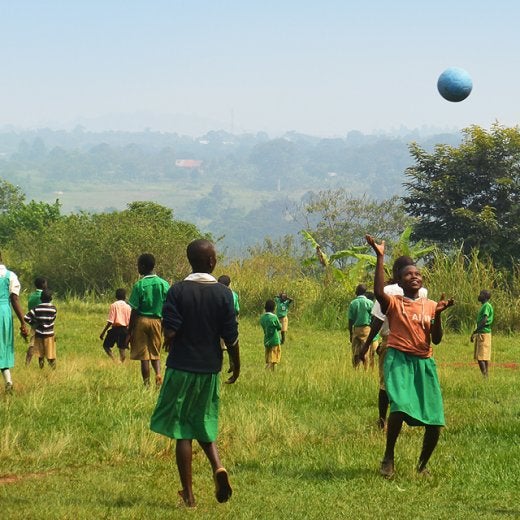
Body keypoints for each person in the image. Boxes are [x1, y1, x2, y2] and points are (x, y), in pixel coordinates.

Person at [150, 239, 240, 508]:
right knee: (203, 420)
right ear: (212, 262)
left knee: (182, 432)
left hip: (180, 367)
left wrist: (170, 335)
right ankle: (218, 466)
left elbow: (171, 329)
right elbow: (231, 337)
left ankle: (188, 496)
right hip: (209, 368)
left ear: (191, 261)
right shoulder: (224, 294)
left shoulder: (177, 290)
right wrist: (236, 365)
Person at [366, 235, 453, 478]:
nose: (415, 276)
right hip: (399, 359)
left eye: (418, 274)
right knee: (400, 407)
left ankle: (422, 465)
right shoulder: (394, 302)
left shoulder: (430, 304)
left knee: (435, 421)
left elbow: (435, 339)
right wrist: (380, 256)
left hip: (424, 362)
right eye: (408, 275)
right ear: (399, 282)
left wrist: (438, 315)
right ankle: (388, 458)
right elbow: (378, 290)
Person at [358, 257, 427, 430]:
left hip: (391, 342)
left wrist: (366, 346)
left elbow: (377, 321)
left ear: (396, 272)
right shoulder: (422, 291)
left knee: (386, 384)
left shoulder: (387, 290)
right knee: (407, 381)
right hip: (414, 343)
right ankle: (406, 418)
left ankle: (383, 420)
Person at [127, 254, 170, 387]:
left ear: (143, 267)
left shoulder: (140, 285)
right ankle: (158, 375)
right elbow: (169, 305)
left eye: (138, 265)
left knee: (143, 355)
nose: (138, 268)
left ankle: (146, 384)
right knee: (155, 352)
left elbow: (134, 309)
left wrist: (130, 330)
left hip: (141, 320)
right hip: (157, 321)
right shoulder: (164, 284)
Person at [0, 253, 28, 393]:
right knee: (3, 346)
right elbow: (15, 299)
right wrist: (23, 322)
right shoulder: (9, 276)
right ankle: (8, 381)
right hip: (3, 313)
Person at [24, 288, 57, 369]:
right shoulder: (53, 308)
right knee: (51, 353)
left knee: (40, 354)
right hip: (49, 334)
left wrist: (35, 323)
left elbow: (26, 317)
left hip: (39, 333)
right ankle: (53, 369)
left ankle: (41, 368)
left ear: (41, 298)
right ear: (51, 298)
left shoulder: (37, 308)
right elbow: (53, 318)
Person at [99, 288, 132, 363]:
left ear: (116, 296)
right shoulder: (128, 307)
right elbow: (130, 322)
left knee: (106, 346)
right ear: (125, 297)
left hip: (115, 329)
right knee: (122, 348)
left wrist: (103, 332)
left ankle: (114, 360)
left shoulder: (113, 305)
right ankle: (121, 363)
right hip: (124, 330)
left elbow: (110, 321)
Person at [217, 275, 240, 373]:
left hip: (217, 323)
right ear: (229, 284)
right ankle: (233, 365)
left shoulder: (214, 293)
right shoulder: (233, 294)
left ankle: (219, 367)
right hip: (230, 321)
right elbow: (237, 309)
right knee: (232, 344)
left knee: (219, 347)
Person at [348, 284, 373, 368]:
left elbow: (350, 320)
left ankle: (356, 368)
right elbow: (373, 317)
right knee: (366, 349)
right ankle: (366, 369)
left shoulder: (353, 303)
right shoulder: (370, 303)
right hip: (366, 329)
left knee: (355, 350)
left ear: (357, 292)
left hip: (356, 329)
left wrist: (351, 333)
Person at [25, 276, 48, 366]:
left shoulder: (32, 296)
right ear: (43, 284)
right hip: (42, 325)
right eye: (45, 283)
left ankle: (27, 363)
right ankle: (41, 365)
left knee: (32, 344)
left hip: (34, 324)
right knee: (42, 346)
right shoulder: (43, 296)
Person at [471, 290, 494, 377]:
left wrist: (475, 331)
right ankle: (486, 375)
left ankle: (485, 376)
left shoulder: (486, 306)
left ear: (484, 296)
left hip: (483, 333)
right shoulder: (486, 306)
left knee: (480, 358)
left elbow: (484, 320)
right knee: (484, 357)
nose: (479, 295)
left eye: (481, 294)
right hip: (485, 333)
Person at [260, 299, 282, 370]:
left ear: (265, 308)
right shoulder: (274, 317)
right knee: (273, 359)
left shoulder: (262, 317)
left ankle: (272, 373)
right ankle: (265, 371)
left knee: (270, 357)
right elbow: (279, 327)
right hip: (274, 340)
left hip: (266, 340)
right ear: (274, 308)